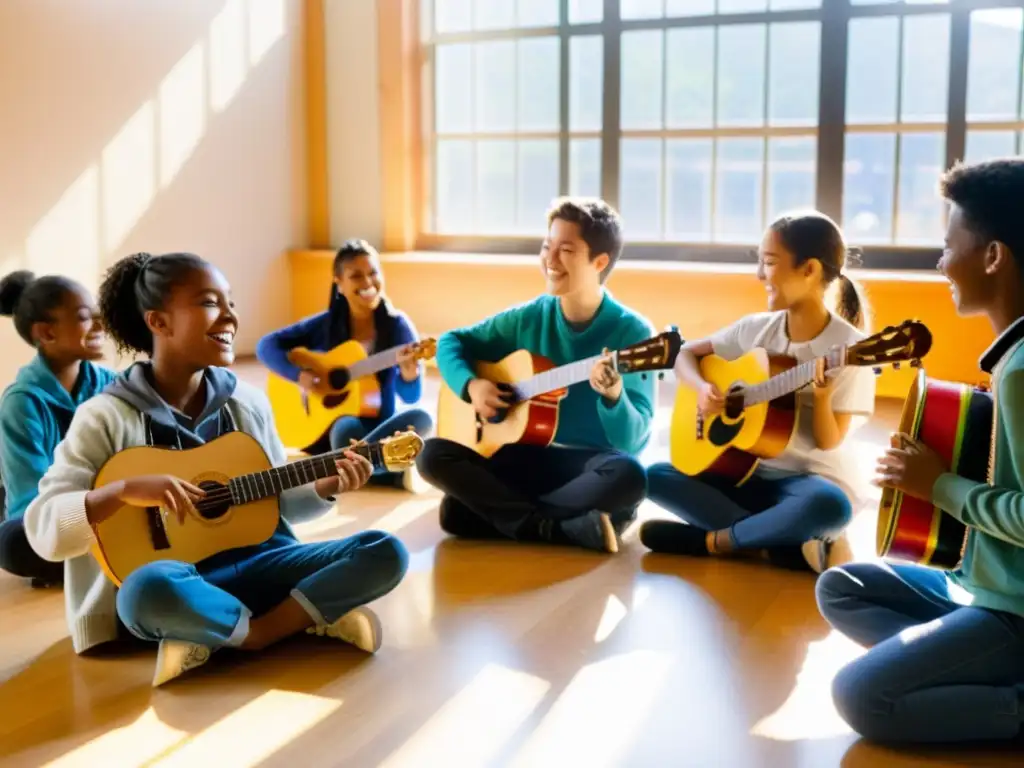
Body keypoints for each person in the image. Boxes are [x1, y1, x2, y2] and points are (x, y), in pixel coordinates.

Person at [23, 252, 409, 687]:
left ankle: (235, 634)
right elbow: (43, 530)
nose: (230, 317)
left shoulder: (247, 401)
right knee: (143, 590)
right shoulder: (104, 416)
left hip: (264, 562)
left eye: (231, 303)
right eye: (210, 303)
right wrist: (122, 491)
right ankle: (298, 619)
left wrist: (323, 485)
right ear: (159, 322)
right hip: (181, 583)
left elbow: (278, 504)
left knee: (385, 550)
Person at [816, 159, 1024, 745]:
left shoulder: (1021, 371)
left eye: (947, 244)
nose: (940, 262)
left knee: (860, 695)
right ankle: (970, 659)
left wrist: (937, 486)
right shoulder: (1011, 355)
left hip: (1014, 608)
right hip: (982, 584)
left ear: (993, 257)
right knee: (841, 587)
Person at [640, 211, 875, 573]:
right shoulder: (755, 330)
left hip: (804, 481)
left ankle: (716, 542)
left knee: (830, 508)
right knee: (654, 475)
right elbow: (685, 353)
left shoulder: (849, 348)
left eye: (768, 262)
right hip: (742, 472)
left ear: (809, 269)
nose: (759, 275)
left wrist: (824, 397)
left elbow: (828, 442)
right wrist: (702, 388)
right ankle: (780, 545)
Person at [415, 197, 651, 554]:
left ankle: (512, 518)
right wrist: (472, 385)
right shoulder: (529, 317)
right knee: (429, 455)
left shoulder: (634, 334)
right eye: (546, 246)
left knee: (630, 476)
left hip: (588, 466)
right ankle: (556, 527)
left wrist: (614, 396)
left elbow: (632, 441)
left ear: (599, 262)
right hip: (524, 457)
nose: (550, 260)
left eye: (566, 250)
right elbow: (452, 342)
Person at [256, 239, 432, 489]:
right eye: (356, 276)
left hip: (378, 423)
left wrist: (410, 374)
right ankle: (388, 471)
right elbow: (266, 346)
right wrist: (299, 375)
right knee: (343, 429)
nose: (368, 283)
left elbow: (411, 396)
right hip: (330, 428)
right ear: (339, 283)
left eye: (373, 273)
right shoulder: (325, 324)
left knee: (423, 418)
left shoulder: (397, 327)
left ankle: (351, 468)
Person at [0, 271, 116, 587]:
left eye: (97, 315)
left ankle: (100, 557)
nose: (99, 326)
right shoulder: (21, 402)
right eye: (83, 318)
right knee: (13, 545)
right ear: (46, 333)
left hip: (105, 506)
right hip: (54, 514)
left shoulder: (110, 384)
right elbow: (31, 503)